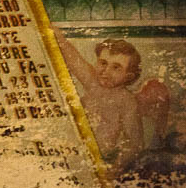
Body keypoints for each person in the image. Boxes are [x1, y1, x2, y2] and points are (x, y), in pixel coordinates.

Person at [54, 34, 171, 169]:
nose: (105, 71)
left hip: (99, 159)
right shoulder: (93, 83)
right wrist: (54, 33)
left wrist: (115, 168)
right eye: (103, 63)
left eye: (116, 67)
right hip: (72, 149)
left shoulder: (126, 101)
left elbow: (135, 144)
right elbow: (72, 58)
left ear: (128, 76)